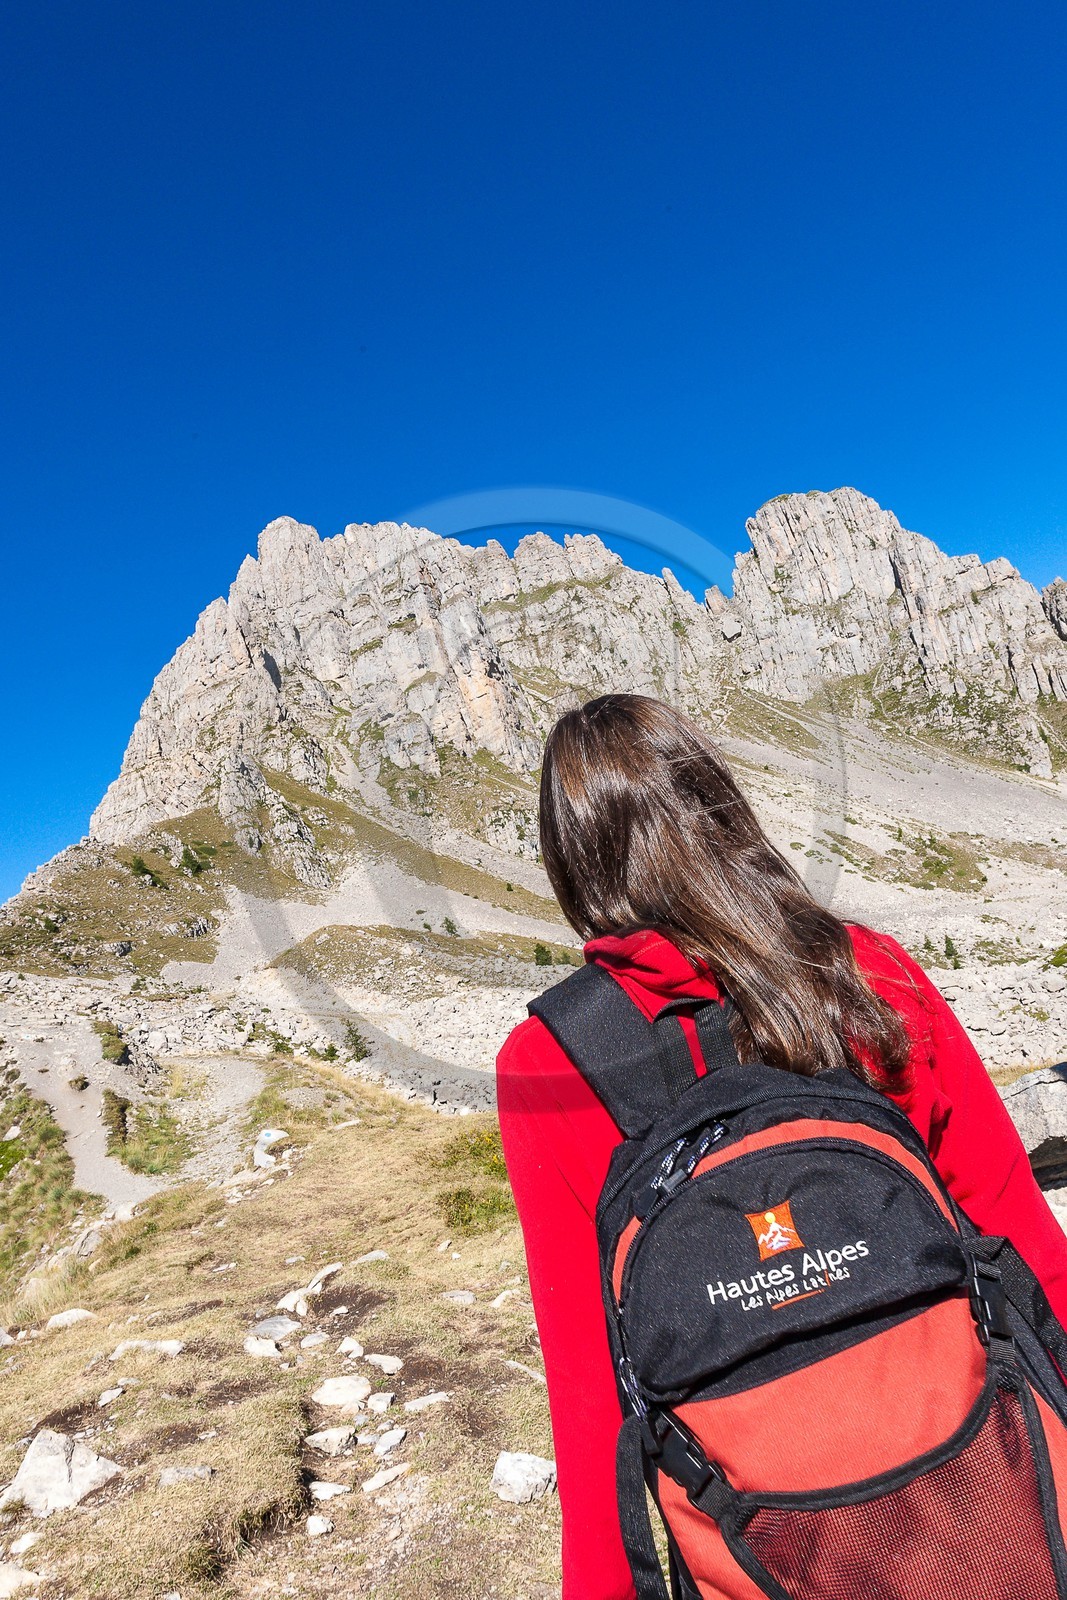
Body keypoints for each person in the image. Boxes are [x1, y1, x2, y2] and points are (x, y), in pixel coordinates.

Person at [496, 693, 1067, 1600]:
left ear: (574, 863)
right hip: (976, 1498)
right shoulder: (861, 969)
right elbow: (1020, 1238)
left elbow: (590, 1389)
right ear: (720, 808)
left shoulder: (547, 1062)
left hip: (760, 1542)